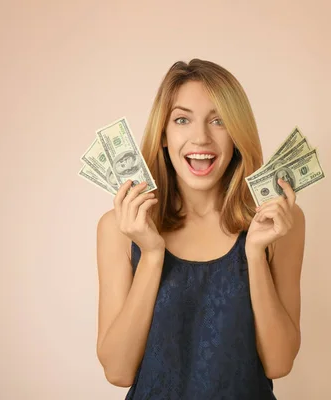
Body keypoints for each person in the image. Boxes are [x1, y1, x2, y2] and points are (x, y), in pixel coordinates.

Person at [95, 59, 306, 399]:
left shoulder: (279, 223)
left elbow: (278, 363)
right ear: (163, 134)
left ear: (237, 133)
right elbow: (118, 372)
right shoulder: (119, 228)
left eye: (219, 121)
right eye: (182, 119)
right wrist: (150, 254)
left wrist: (254, 254)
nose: (201, 138)